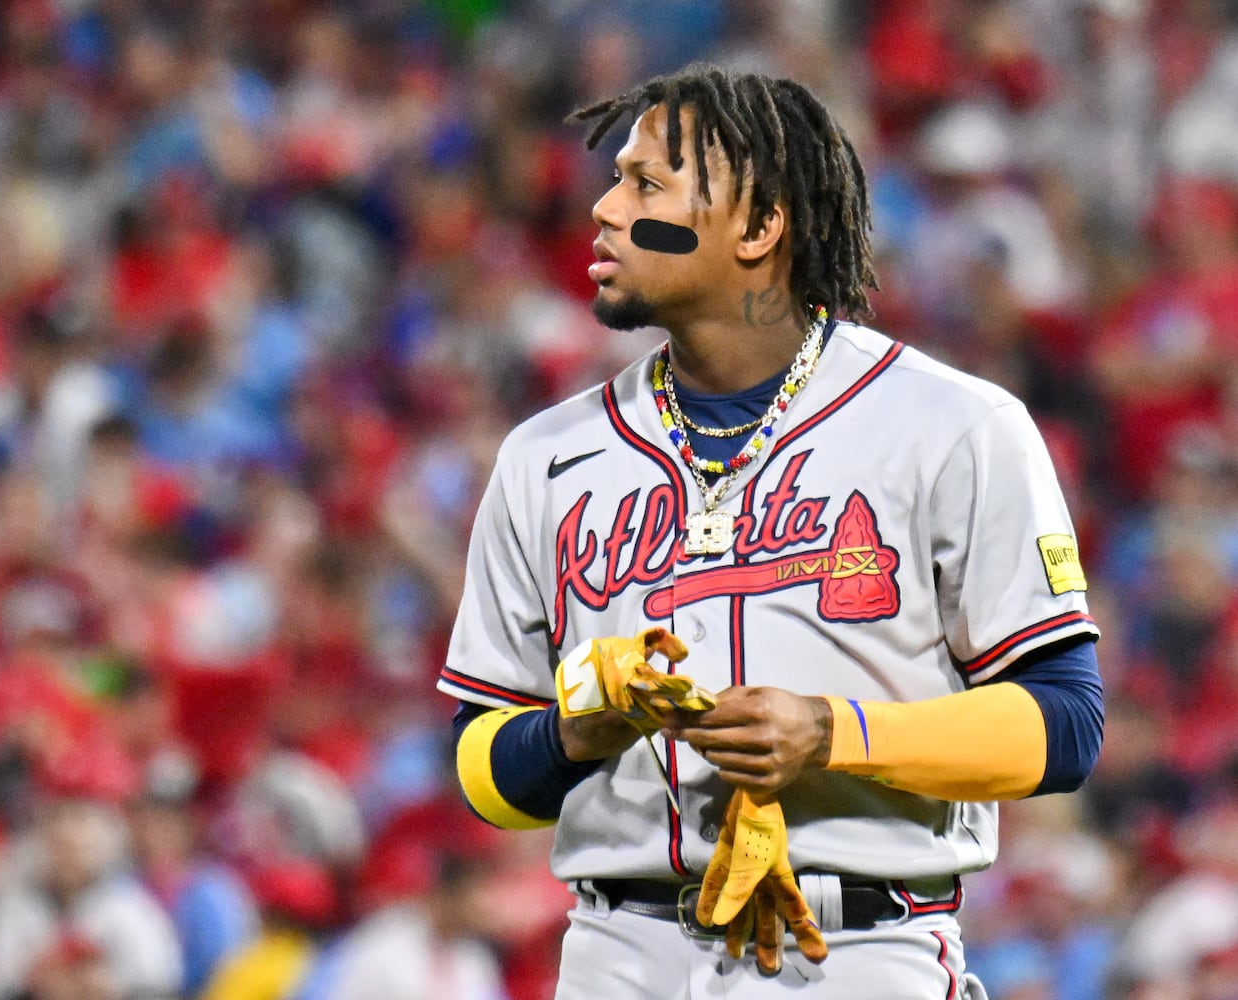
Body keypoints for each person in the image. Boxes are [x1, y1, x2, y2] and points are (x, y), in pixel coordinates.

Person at [440, 64, 1104, 999]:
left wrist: (833, 733)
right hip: (616, 953)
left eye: (646, 186)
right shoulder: (545, 457)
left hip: (858, 949)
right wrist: (574, 734)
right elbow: (478, 765)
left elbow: (1066, 726)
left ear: (758, 228)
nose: (603, 208)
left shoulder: (954, 426)